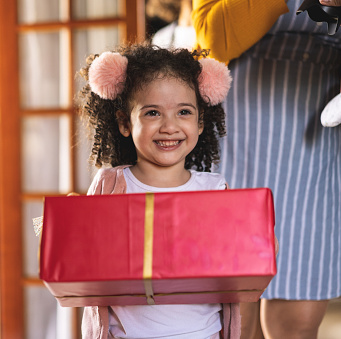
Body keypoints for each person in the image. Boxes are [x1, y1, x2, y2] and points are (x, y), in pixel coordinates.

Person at [192, 1, 341, 338]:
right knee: (231, 322)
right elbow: (213, 37)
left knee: (297, 325)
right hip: (236, 135)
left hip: (317, 141)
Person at [76, 42, 239, 338]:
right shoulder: (109, 185)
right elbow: (70, 249)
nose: (169, 126)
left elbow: (239, 261)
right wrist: (51, 224)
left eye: (184, 112)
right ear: (125, 123)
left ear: (200, 122)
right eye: (152, 113)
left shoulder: (215, 189)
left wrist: (263, 241)